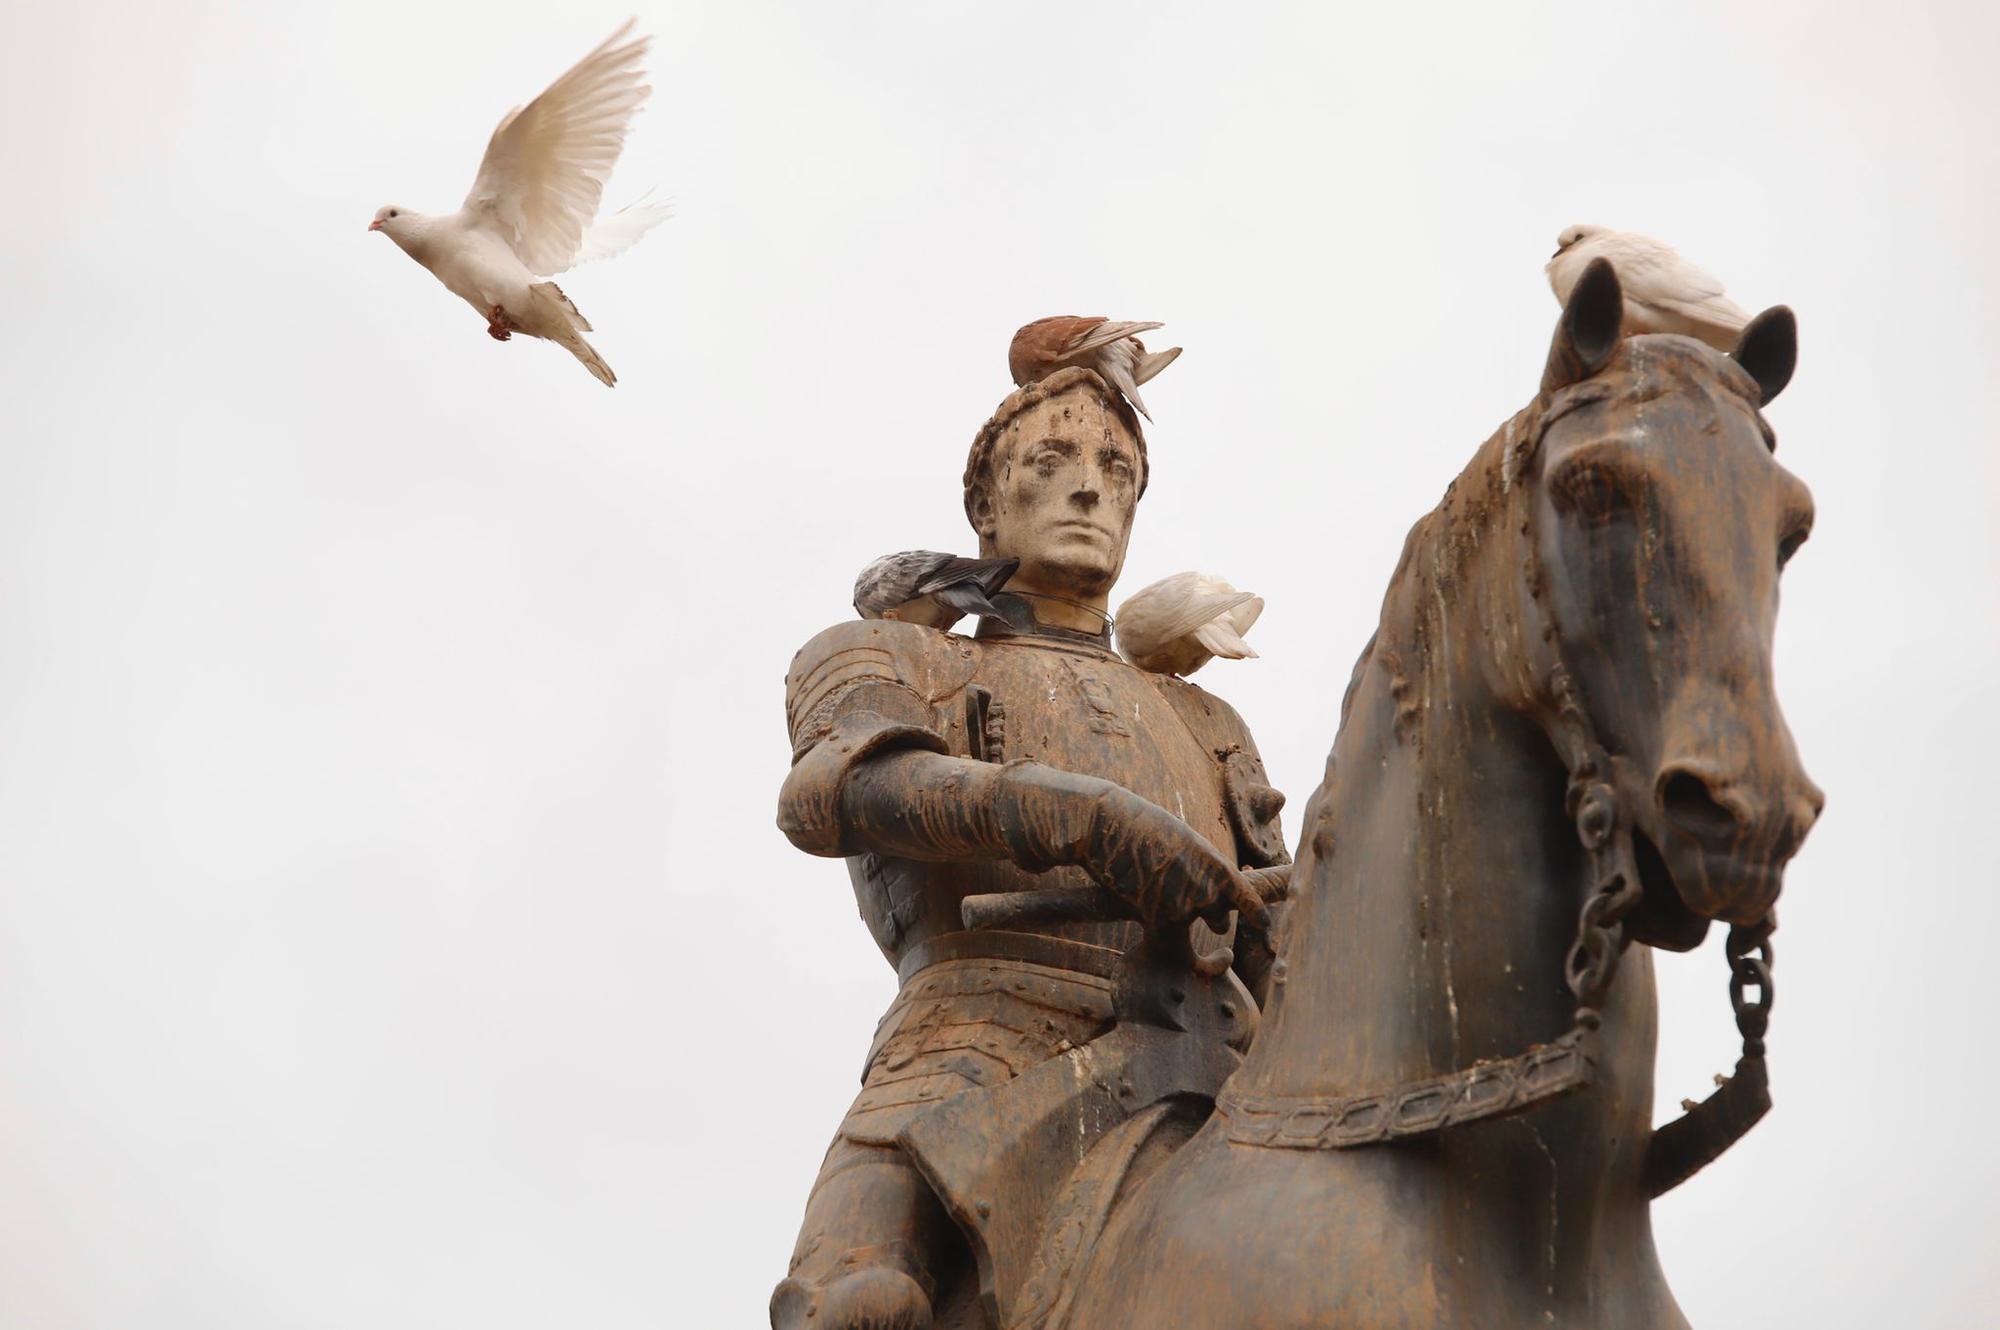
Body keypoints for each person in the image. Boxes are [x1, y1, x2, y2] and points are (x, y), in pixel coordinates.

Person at [770, 365, 1287, 1330]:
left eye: (1116, 469)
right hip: (977, 1036)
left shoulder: (1210, 717)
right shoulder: (890, 652)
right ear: (986, 505)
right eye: (1051, 461)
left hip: (1218, 1049)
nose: (1090, 486)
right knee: (858, 1301)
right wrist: (1082, 816)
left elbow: (1272, 934)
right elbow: (834, 795)